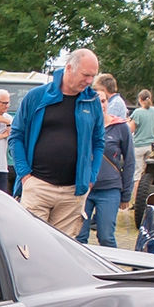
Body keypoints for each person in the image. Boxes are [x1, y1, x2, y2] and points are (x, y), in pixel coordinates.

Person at [8, 48, 105, 236]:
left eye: (92, 76)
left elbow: (99, 142)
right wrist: (25, 174)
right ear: (69, 68)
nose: (89, 81)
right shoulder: (36, 97)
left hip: (73, 192)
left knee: (62, 250)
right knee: (30, 244)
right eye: (85, 75)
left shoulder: (92, 101)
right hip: (37, 185)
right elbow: (16, 135)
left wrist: (90, 178)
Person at [78, 83, 135, 248]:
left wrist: (126, 194)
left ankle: (109, 270)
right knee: (79, 236)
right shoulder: (81, 126)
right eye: (96, 101)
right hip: (84, 189)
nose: (101, 105)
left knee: (106, 236)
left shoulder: (120, 127)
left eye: (103, 101)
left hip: (109, 188)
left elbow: (130, 161)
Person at [129, 89, 154, 193]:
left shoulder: (138, 113)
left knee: (137, 175)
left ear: (139, 99)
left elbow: (130, 129)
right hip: (151, 145)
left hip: (138, 145)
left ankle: (136, 197)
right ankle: (146, 195)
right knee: (146, 173)